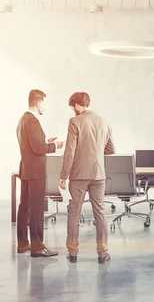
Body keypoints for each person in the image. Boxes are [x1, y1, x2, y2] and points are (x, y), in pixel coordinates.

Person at [59, 92, 115, 264]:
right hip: (98, 174)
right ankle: (103, 252)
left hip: (78, 175)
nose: (72, 111)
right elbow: (111, 149)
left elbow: (70, 151)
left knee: (74, 212)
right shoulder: (103, 121)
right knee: (100, 212)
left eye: (72, 107)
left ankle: (73, 252)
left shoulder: (75, 122)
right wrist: (95, 151)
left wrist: (63, 175)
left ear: (76, 105)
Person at [16, 89, 63, 257]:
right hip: (36, 172)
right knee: (36, 209)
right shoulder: (33, 121)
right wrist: (55, 146)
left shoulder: (23, 119)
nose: (45, 107)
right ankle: (38, 247)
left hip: (26, 169)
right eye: (44, 104)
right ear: (37, 104)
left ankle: (23, 244)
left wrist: (45, 141)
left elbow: (32, 145)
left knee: (25, 206)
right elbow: (37, 148)